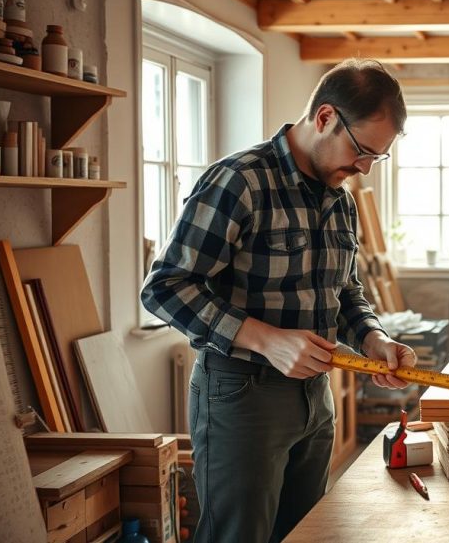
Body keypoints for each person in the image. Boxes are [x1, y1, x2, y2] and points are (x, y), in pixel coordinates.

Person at [141, 58, 416, 543]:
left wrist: (374, 338)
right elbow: (164, 287)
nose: (363, 168)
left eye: (377, 157)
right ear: (326, 117)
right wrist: (266, 340)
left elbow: (345, 289)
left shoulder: (340, 199)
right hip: (241, 395)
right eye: (361, 151)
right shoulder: (239, 182)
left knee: (304, 533)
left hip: (315, 395)